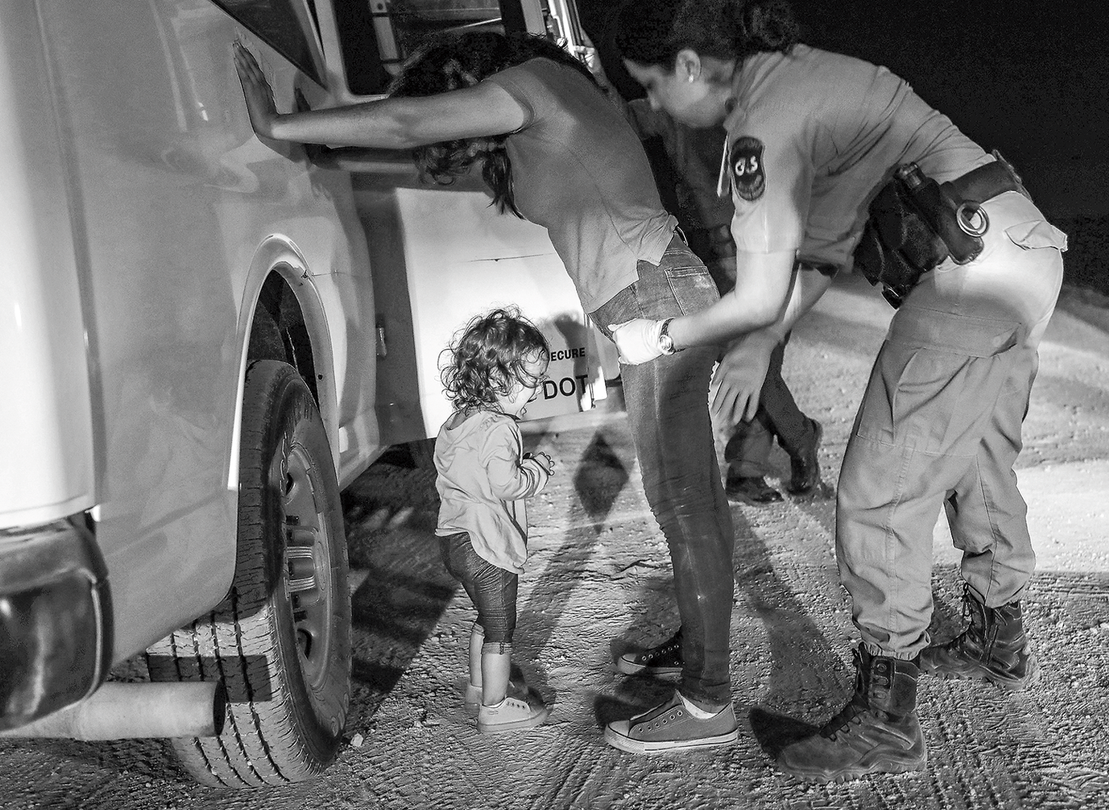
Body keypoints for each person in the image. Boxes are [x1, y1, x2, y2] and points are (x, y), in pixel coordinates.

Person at [234, 30, 740, 753]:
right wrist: (318, 150)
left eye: (456, 109)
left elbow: (409, 122)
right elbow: (408, 147)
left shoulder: (536, 85)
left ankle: (708, 698)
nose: (463, 137)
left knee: (685, 502)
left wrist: (278, 125)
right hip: (647, 299)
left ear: (464, 82)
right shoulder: (541, 123)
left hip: (656, 299)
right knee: (689, 500)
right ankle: (702, 652)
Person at [610, 0, 1068, 781]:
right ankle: (999, 639)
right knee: (975, 456)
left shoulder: (764, 123)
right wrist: (759, 346)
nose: (655, 107)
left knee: (878, 490)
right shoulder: (806, 77)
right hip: (1020, 257)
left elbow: (761, 292)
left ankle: (886, 722)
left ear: (689, 65)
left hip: (969, 279)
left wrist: (665, 336)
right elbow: (819, 255)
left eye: (651, 86)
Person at [623, 101, 824, 505]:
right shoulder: (673, 102)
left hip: (769, 244)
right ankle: (782, 446)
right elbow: (621, 114)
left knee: (759, 364)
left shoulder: (761, 100)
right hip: (708, 248)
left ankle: (771, 453)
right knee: (746, 362)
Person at [432, 308, 554, 732]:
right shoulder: (500, 428)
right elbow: (506, 484)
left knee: (484, 619)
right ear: (500, 380)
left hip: (454, 538)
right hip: (487, 544)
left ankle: (478, 687)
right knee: (501, 629)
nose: (535, 391)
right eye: (531, 381)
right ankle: (496, 707)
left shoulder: (456, 422)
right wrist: (536, 471)